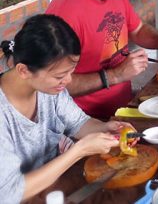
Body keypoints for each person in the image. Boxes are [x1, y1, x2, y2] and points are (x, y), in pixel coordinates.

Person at [0, 14, 136, 203]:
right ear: (24, 70)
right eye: (60, 76)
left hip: (53, 191)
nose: (68, 81)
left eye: (71, 72)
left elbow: (79, 123)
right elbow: (10, 193)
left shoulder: (48, 89)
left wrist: (109, 129)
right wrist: (79, 151)